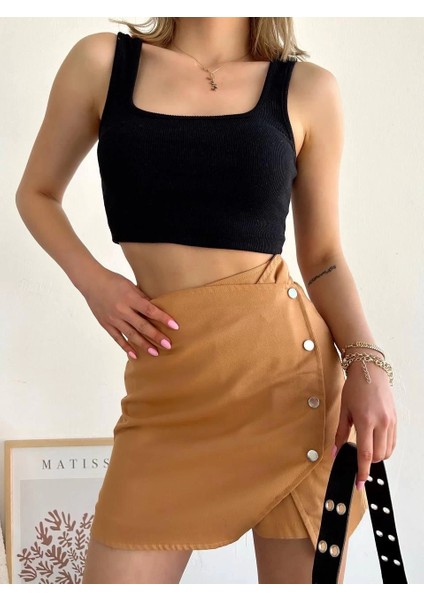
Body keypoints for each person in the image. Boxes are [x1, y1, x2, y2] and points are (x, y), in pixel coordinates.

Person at [15, 17, 397, 585]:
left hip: (290, 393)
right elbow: (37, 193)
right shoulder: (101, 64)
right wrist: (95, 283)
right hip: (167, 395)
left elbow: (323, 258)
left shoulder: (308, 89)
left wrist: (367, 362)